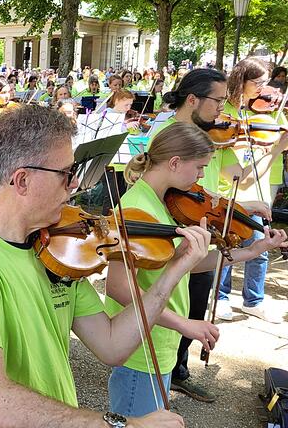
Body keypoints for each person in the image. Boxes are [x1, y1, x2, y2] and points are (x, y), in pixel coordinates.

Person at [0, 105, 210, 428]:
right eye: (66, 173)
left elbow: (111, 345)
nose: (75, 183)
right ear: (22, 180)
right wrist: (128, 425)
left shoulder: (58, 251)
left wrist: (174, 268)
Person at [106, 122, 288, 417]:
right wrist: (183, 323)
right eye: (200, 167)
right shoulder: (136, 210)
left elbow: (188, 264)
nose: (202, 177)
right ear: (175, 163)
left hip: (159, 341)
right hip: (140, 347)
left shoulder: (167, 203)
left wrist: (250, 251)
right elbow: (118, 287)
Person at [218, 57, 288, 324]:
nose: (263, 88)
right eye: (257, 82)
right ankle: (222, 296)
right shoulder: (227, 111)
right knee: (228, 243)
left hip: (259, 180)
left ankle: (253, 300)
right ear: (242, 81)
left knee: (261, 241)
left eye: (264, 82)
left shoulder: (265, 110)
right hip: (234, 183)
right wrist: (269, 149)